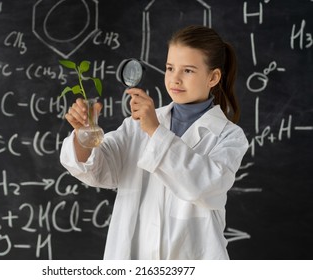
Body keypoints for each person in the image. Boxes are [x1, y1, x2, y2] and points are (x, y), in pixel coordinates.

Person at [60, 25, 249, 259]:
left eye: (188, 71)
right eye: (170, 68)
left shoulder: (229, 136)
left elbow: (203, 185)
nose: (175, 79)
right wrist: (84, 136)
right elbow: (98, 171)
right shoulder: (135, 126)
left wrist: (155, 130)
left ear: (213, 77)